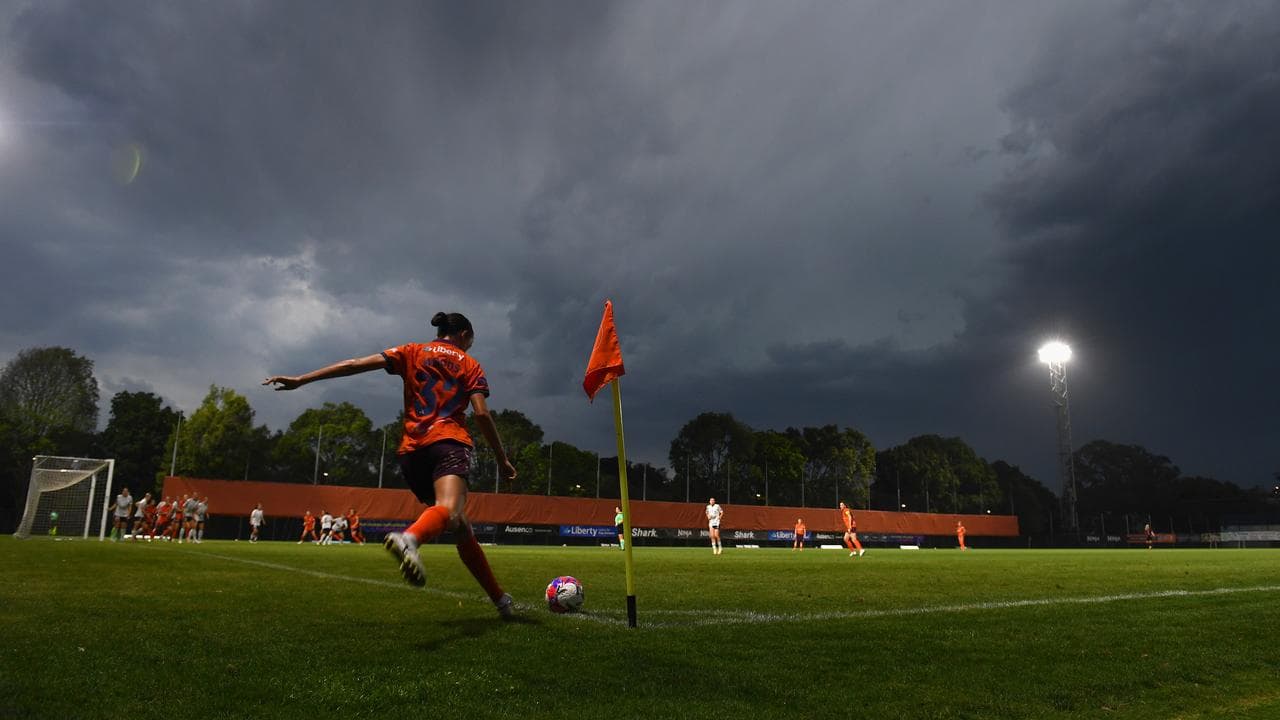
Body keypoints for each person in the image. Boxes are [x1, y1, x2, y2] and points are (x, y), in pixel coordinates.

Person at [264, 311, 518, 618]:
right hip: (448, 441)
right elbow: (480, 413)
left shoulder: (411, 351)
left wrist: (303, 379)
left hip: (411, 451)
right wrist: (502, 459)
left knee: (459, 525)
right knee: (450, 510)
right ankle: (408, 540)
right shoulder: (469, 363)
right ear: (464, 335)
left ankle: (500, 600)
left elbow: (354, 364)